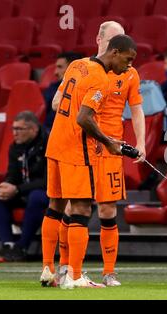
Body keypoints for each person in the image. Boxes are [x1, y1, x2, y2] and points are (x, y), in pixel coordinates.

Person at [39, 34, 137, 289]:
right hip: (76, 149)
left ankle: (49, 270)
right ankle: (75, 276)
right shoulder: (101, 79)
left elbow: (58, 101)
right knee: (81, 209)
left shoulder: (77, 64)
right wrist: (108, 141)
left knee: (55, 206)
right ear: (115, 52)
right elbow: (84, 118)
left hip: (55, 143)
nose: (128, 66)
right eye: (127, 59)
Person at [0, 111, 49, 262]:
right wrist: (8, 185)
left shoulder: (48, 143)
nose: (15, 133)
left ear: (33, 129)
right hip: (24, 190)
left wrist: (17, 189)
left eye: (19, 129)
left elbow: (48, 180)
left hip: (49, 193)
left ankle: (22, 246)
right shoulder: (15, 146)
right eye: (13, 129)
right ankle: (8, 245)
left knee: (36, 197)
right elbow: (13, 173)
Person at [43, 51, 84, 132]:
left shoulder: (85, 89)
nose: (55, 72)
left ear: (73, 68)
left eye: (60, 67)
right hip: (50, 131)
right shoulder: (53, 87)